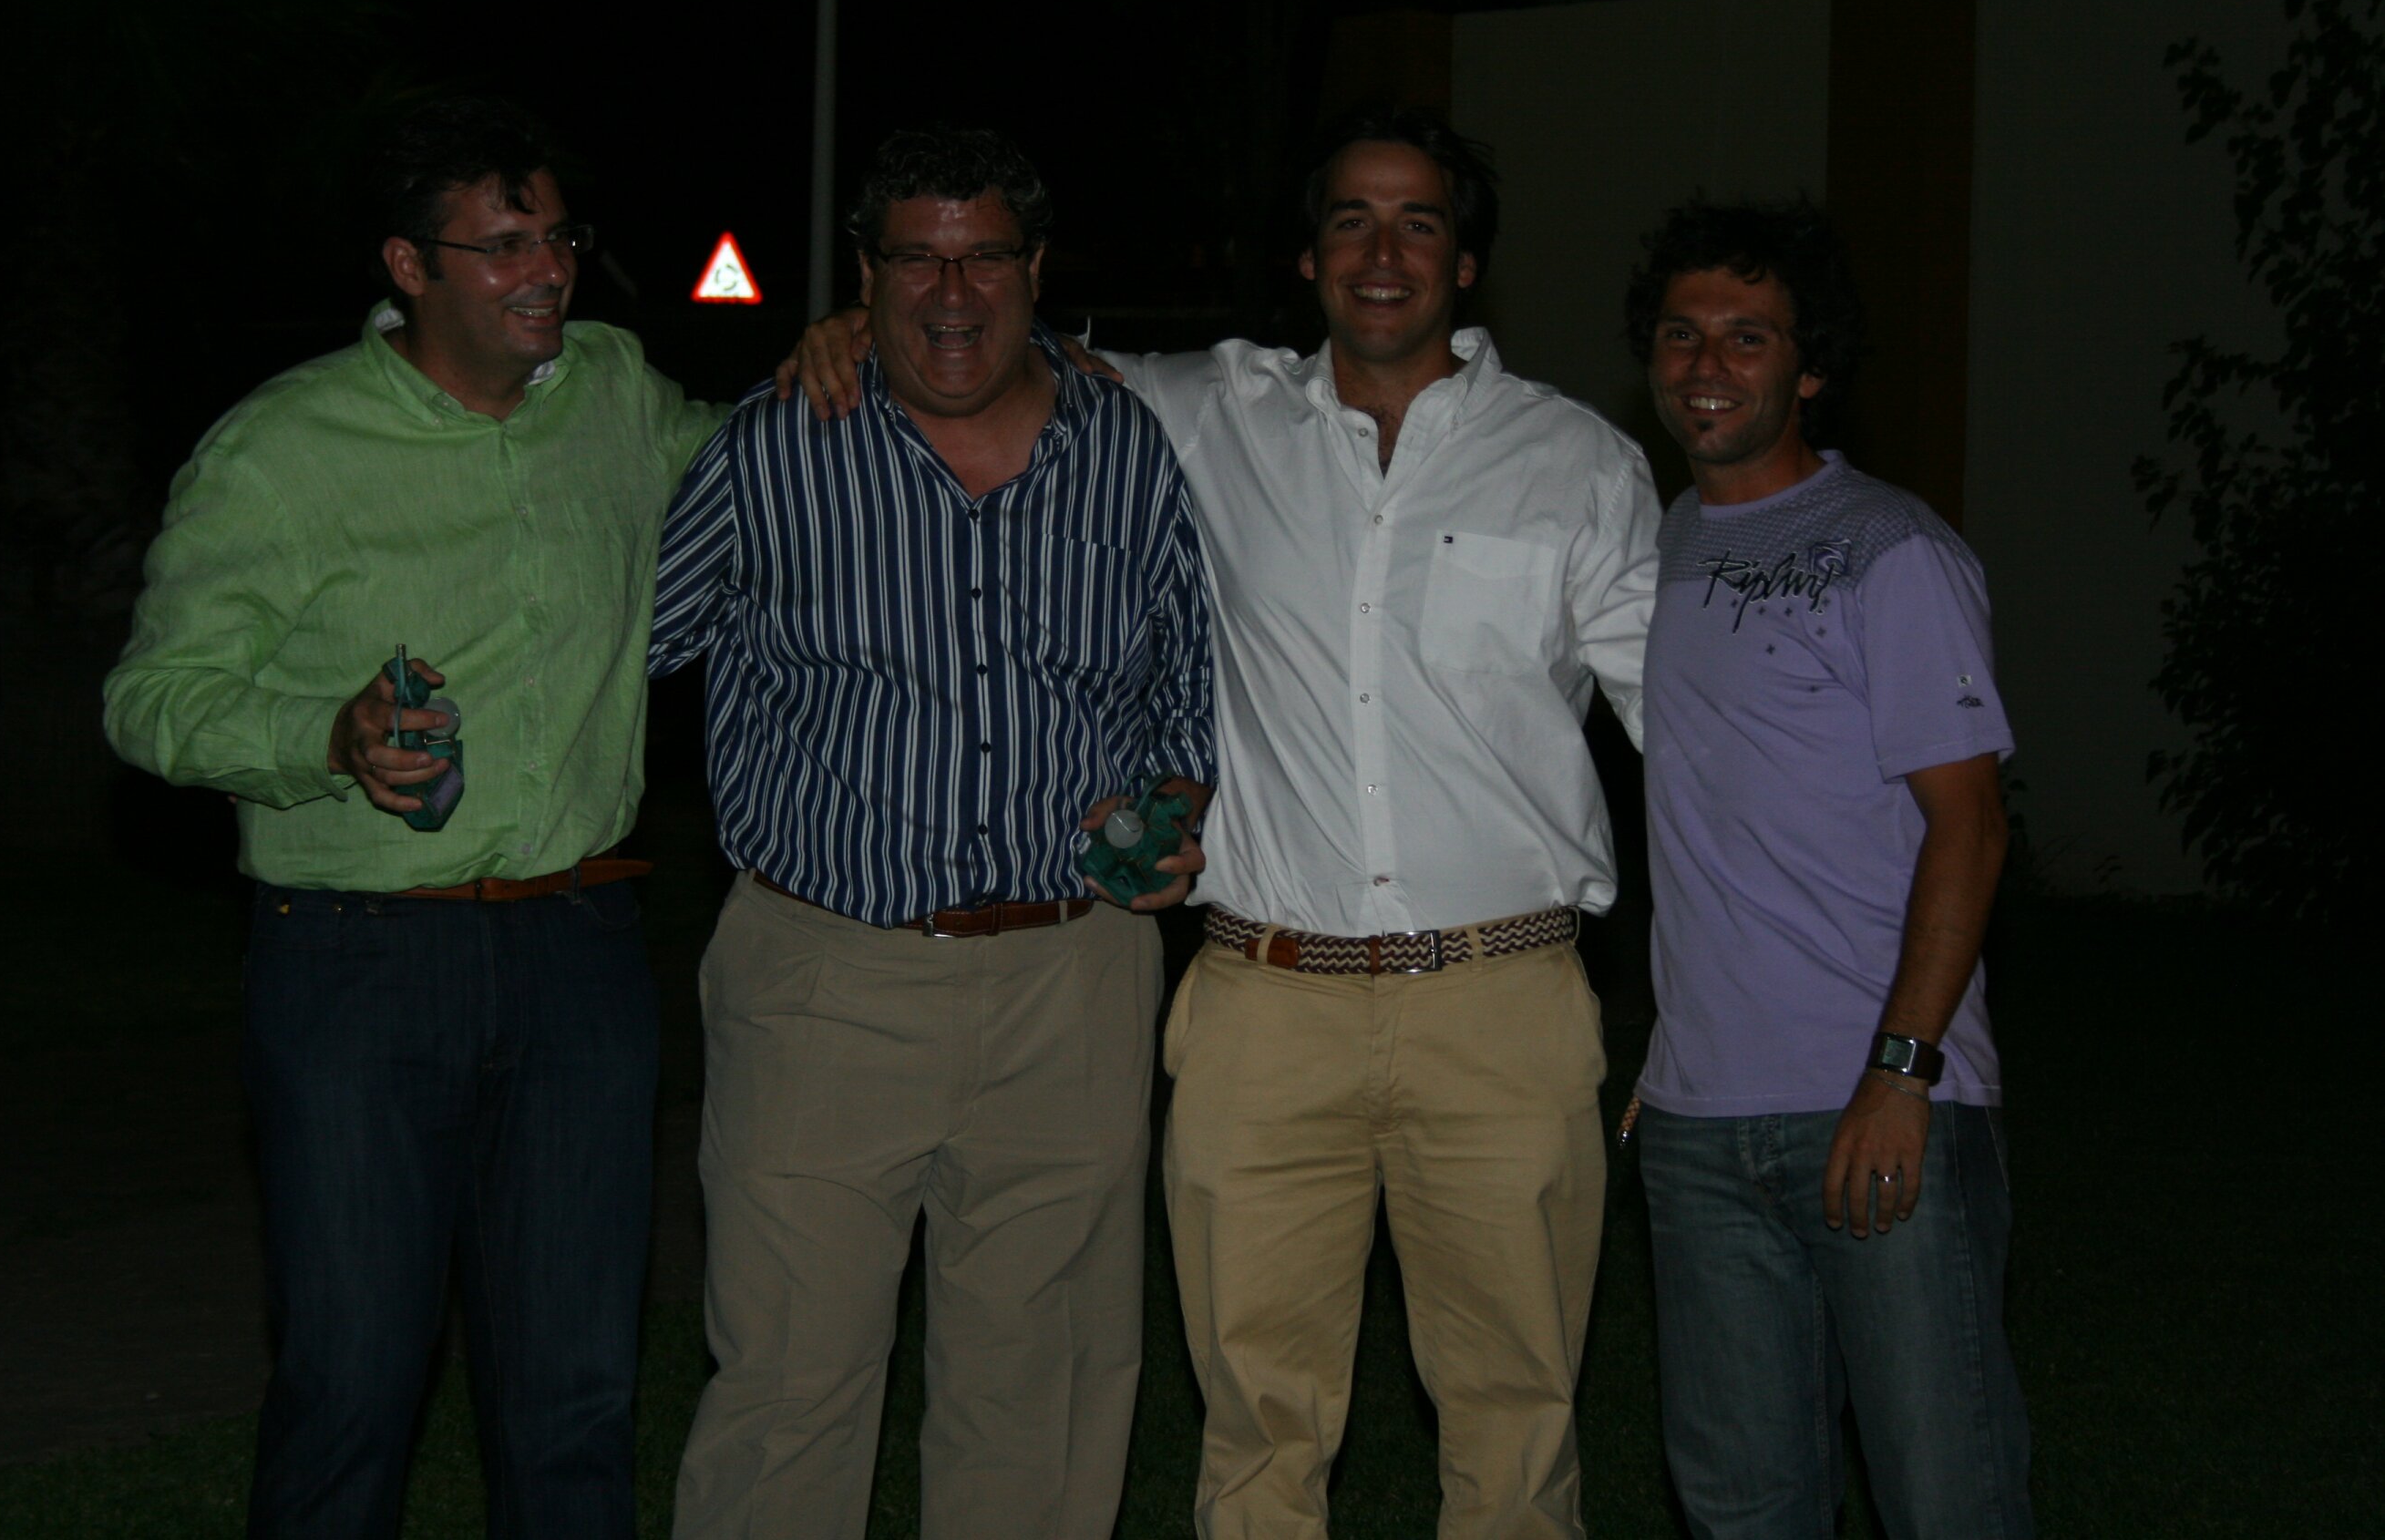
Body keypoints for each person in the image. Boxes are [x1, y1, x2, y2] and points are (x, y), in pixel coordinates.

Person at [784, 106, 1660, 1539]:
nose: (1382, 253)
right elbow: (986, 341)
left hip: (1502, 1004)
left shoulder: (1580, 464)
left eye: (1420, 222)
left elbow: (1686, 738)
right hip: (1265, 1005)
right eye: (1350, 221)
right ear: (1307, 258)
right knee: (1256, 1430)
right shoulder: (1209, 410)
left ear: (1467, 261)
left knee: (1516, 1421)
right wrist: (848, 326)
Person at [102, 95, 728, 1539]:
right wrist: (321, 737)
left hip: (579, 951)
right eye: (503, 245)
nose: (548, 271)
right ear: (408, 266)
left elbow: (762, 479)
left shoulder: (615, 393)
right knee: (351, 1381)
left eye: (558, 237)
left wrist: (843, 363)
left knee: (576, 1391)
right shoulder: (283, 448)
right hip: (357, 967)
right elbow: (150, 699)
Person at [648, 126, 1218, 1540]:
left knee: (1045, 1396)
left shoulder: (1125, 448)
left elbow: (1184, 686)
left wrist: (1171, 804)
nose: (950, 294)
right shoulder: (773, 450)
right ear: (865, 277)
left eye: (983, 259)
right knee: (789, 1391)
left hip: (1073, 979)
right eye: (917, 259)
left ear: (1036, 270)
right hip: (825, 980)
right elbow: (622, 648)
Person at [1625, 200, 2032, 1538]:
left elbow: (1972, 825)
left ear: (1809, 369)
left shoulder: (1890, 548)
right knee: (1742, 1510)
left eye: (1748, 338)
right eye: (1681, 334)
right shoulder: (1662, 548)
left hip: (1880, 1103)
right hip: (1698, 1128)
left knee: (1946, 1499)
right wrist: (1670, 1062)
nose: (1706, 366)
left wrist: (1901, 1074)